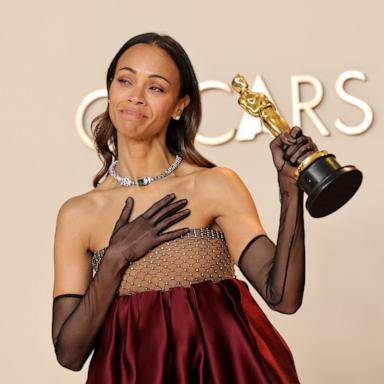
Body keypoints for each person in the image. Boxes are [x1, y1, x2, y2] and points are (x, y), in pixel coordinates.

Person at [51, 32, 317, 383]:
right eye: (125, 80)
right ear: (111, 90)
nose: (136, 96)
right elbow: (69, 354)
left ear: (179, 105)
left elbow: (282, 297)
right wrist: (115, 258)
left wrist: (290, 191)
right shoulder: (78, 214)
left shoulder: (215, 185)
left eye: (156, 88)